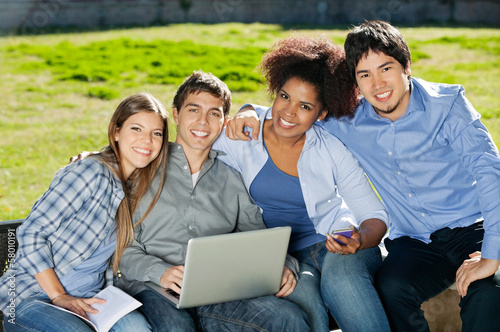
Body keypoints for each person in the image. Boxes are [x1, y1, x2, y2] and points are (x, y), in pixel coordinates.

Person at [227, 20, 500, 332]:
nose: (378, 84)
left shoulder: (448, 106)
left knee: (488, 291)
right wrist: (249, 110)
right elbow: (293, 112)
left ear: (406, 66)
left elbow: (491, 172)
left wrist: (492, 254)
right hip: (413, 241)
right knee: (391, 288)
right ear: (355, 83)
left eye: (386, 68)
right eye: (365, 75)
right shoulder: (349, 119)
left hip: (472, 227)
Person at [213, 35, 391, 332]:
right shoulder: (243, 135)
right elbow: (191, 150)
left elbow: (374, 216)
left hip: (336, 239)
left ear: (321, 114)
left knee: (341, 281)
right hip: (280, 256)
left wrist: (358, 239)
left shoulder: (331, 148)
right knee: (307, 307)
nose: (288, 112)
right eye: (284, 96)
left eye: (305, 106)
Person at [116, 71, 310, 332]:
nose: (203, 122)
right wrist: (159, 271)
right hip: (151, 287)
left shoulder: (232, 179)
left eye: (214, 114)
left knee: (288, 318)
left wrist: (284, 264)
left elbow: (259, 238)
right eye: (194, 110)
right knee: (177, 327)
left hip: (215, 290)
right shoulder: (142, 168)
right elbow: (120, 247)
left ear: (224, 122)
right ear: (175, 115)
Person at [0, 92, 170, 332]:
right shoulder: (89, 173)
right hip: (32, 296)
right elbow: (31, 233)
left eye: (157, 133)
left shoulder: (137, 187)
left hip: (91, 297)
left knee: (137, 329)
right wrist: (59, 296)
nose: (147, 141)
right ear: (116, 132)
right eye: (137, 129)